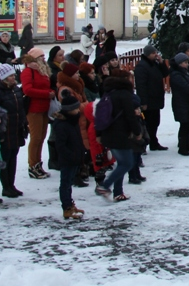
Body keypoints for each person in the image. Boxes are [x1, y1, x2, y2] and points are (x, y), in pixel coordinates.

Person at [95, 70, 141, 202]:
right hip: (120, 133)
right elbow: (130, 116)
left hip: (107, 133)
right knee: (127, 163)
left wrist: (99, 133)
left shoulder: (108, 93)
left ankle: (118, 192)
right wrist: (137, 132)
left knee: (121, 163)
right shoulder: (125, 95)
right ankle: (105, 186)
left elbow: (100, 114)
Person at [0, 63, 25, 198]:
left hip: (16, 128)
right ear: (4, 78)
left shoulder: (15, 89)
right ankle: (6, 186)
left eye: (14, 75)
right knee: (5, 158)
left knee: (13, 156)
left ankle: (11, 185)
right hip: (6, 130)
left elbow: (21, 108)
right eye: (11, 76)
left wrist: (24, 123)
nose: (14, 78)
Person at [51, 93, 86, 220]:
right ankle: (66, 208)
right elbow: (60, 146)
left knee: (69, 183)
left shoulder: (73, 121)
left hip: (75, 158)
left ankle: (70, 204)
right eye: (76, 108)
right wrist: (71, 156)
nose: (78, 110)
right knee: (65, 184)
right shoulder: (62, 125)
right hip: (68, 160)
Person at [21, 48, 53, 179]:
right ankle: (33, 164)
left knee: (42, 137)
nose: (44, 59)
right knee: (36, 138)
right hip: (34, 109)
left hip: (44, 108)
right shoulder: (28, 72)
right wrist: (46, 94)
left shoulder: (42, 71)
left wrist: (51, 92)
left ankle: (38, 164)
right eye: (41, 56)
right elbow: (27, 90)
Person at [133, 44, 170, 151]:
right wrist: (143, 102)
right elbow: (141, 86)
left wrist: (162, 63)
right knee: (147, 124)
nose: (156, 55)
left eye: (156, 53)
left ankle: (153, 142)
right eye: (153, 53)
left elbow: (165, 73)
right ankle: (144, 143)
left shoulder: (155, 64)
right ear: (148, 54)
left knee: (155, 122)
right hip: (148, 100)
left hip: (156, 99)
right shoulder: (142, 67)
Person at [170, 53, 189, 156]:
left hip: (188, 102)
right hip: (181, 102)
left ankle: (187, 144)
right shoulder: (176, 74)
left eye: (187, 62)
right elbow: (186, 87)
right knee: (184, 124)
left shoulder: (186, 72)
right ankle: (182, 146)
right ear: (179, 63)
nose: (187, 64)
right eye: (185, 62)